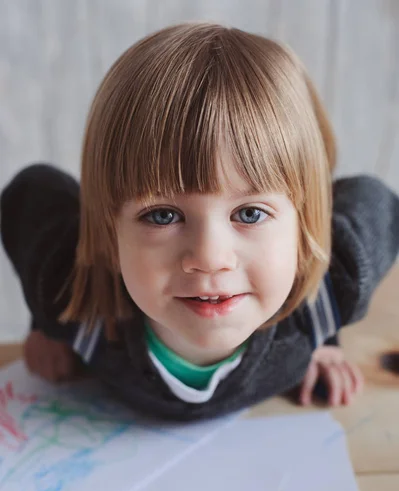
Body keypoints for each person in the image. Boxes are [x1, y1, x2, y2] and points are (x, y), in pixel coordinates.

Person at [1, 23, 398, 421]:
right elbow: (31, 191)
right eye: (163, 215)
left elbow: (373, 197)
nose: (209, 258)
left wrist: (325, 340)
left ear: (305, 222)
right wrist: (47, 328)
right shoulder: (66, 294)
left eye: (250, 213)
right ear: (108, 228)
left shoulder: (334, 290)